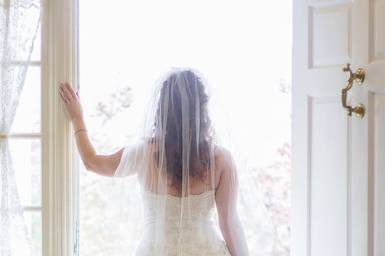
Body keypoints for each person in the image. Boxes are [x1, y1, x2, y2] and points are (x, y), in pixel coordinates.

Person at [58, 68, 249, 256]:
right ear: (202, 110)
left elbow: (92, 162)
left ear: (162, 110)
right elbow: (229, 223)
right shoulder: (221, 160)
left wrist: (77, 117)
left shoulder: (143, 154)